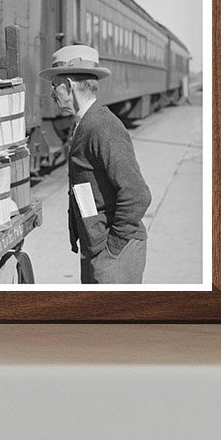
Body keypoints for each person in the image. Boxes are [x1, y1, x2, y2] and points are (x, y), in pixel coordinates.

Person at [40, 45, 152, 285]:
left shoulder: (103, 126)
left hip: (114, 254)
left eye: (54, 86)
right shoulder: (86, 123)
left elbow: (137, 194)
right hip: (96, 245)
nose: (52, 94)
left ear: (69, 86)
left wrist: (112, 248)